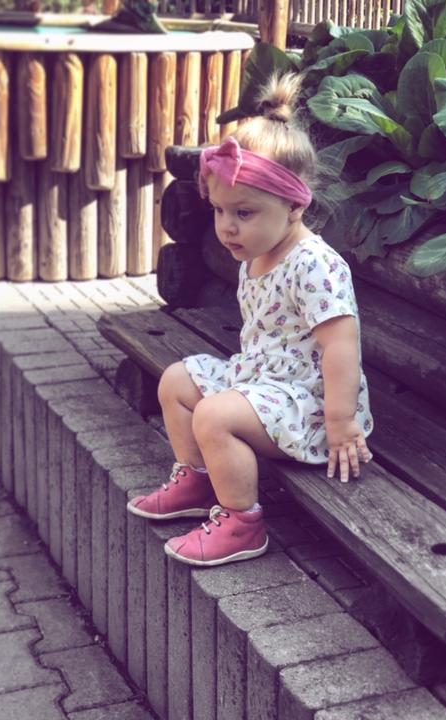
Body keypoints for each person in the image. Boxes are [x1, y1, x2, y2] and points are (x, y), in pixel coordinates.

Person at [127, 72, 373, 567]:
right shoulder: (257, 255)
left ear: (294, 204)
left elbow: (341, 346)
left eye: (244, 213)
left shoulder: (314, 265)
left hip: (310, 409)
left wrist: (341, 422)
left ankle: (242, 523)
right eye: (219, 211)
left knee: (214, 415)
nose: (227, 228)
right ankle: (198, 481)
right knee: (177, 381)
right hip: (262, 384)